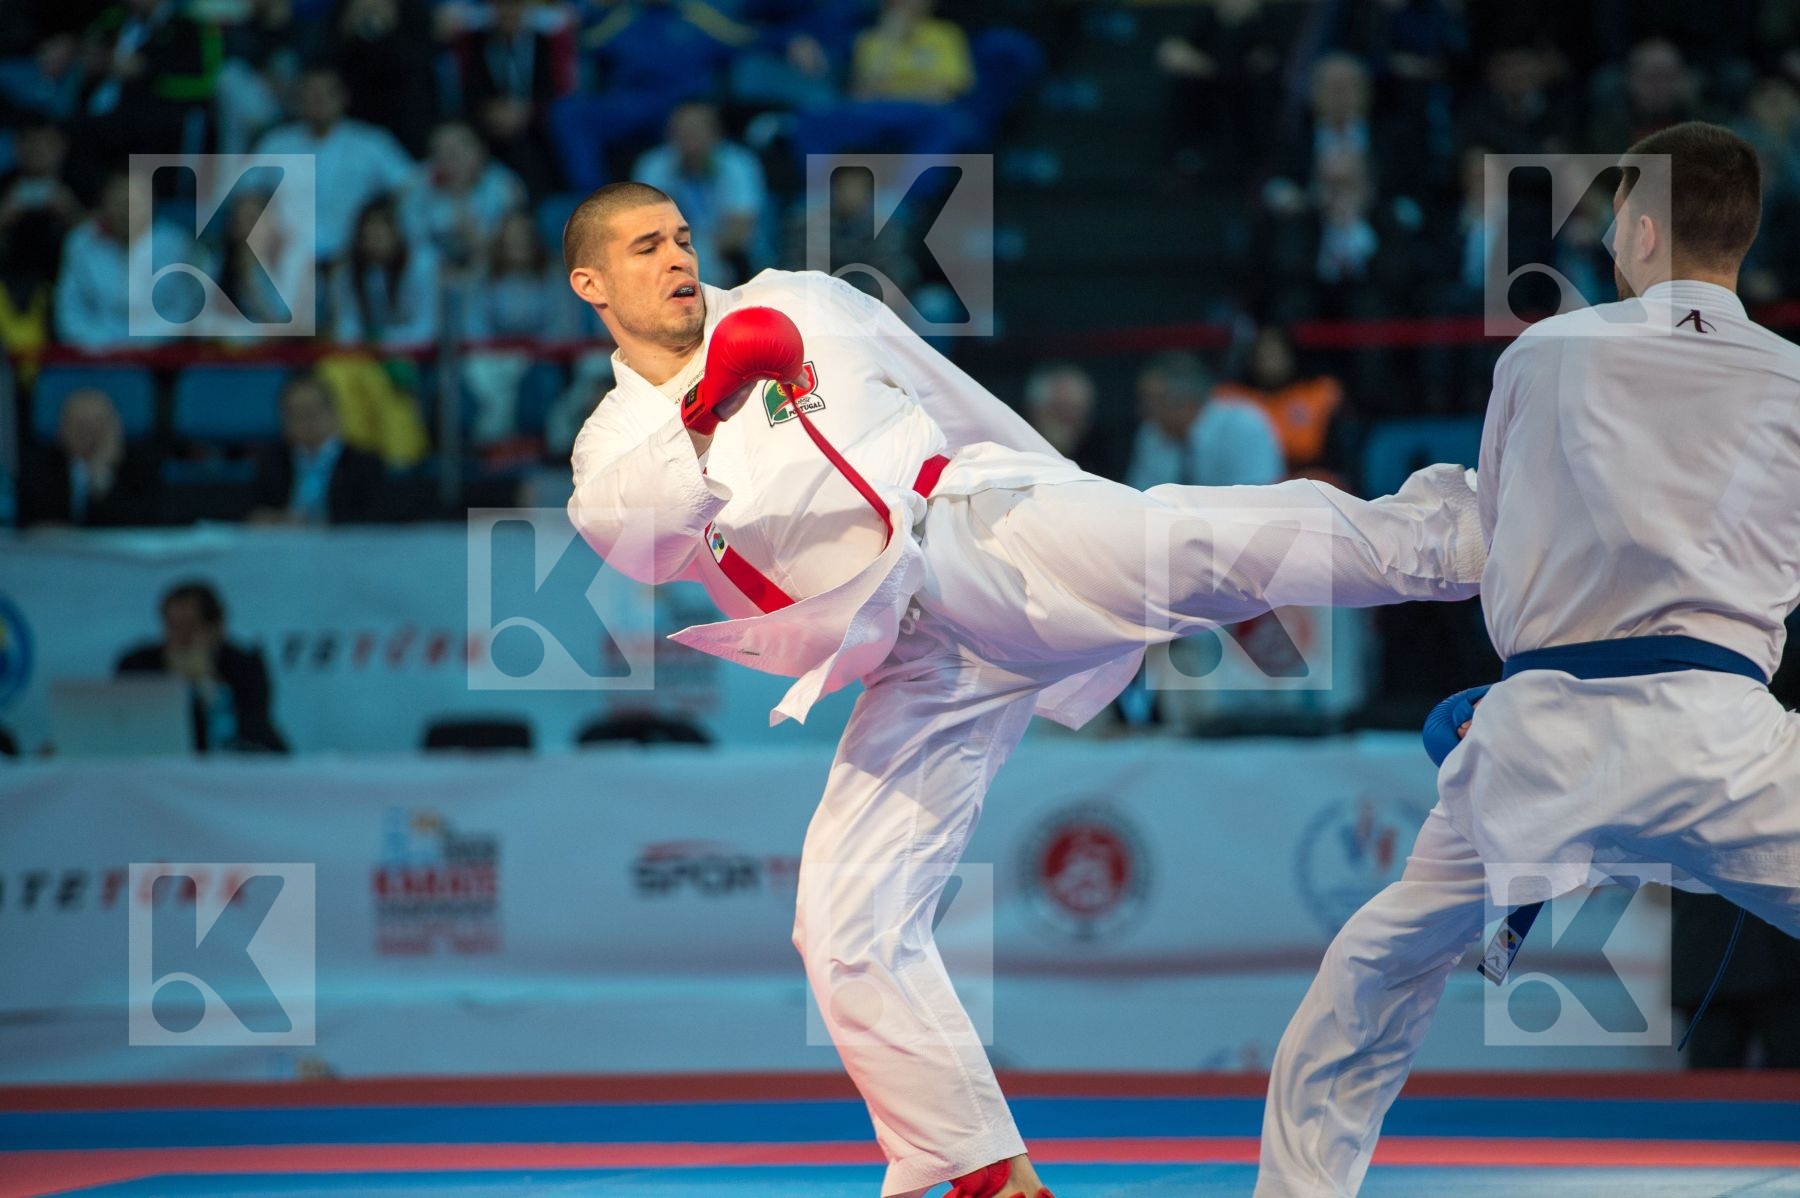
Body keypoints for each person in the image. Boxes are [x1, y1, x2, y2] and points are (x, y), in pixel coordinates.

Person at [562, 181, 1486, 1198]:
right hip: (914, 661)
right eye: (646, 247)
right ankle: (981, 1169)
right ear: (591, 284)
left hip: (980, 536)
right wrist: (706, 406)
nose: (678, 257)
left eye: (682, 236)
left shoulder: (797, 298)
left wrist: (1088, 510)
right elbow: (638, 539)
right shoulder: (614, 438)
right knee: (843, 917)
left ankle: (1471, 534)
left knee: (1194, 536)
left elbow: (953, 398)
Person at [1257, 121, 1800, 1197]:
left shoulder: (1546, 352)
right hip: (1729, 739)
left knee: (1379, 964)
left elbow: (1491, 542)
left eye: (1616, 223)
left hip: (1547, 738)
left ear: (1642, 230)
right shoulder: (1792, 376)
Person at [116, 580, 288, 754]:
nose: (179, 637)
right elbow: (127, 729)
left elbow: (253, 727)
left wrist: (206, 683)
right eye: (172, 626)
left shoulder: (245, 665)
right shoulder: (137, 666)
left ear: (216, 627)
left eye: (189, 626)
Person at [1126, 350, 1285, 490]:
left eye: (1151, 403)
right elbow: (1141, 500)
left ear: (1183, 400)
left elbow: (1259, 501)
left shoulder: (1245, 427)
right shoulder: (1151, 433)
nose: (1144, 412)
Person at [249, 372, 387, 524]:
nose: (307, 422)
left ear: (333, 412)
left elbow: (373, 520)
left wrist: (316, 523)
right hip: (287, 537)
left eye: (312, 412)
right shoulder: (272, 461)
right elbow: (254, 512)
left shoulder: (363, 463)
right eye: (297, 414)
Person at [18, 387, 161, 527]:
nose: (89, 432)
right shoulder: (37, 468)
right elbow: (35, 523)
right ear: (62, 429)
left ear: (115, 427)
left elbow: (138, 526)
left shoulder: (140, 466)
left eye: (97, 424)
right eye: (80, 424)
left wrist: (100, 475)